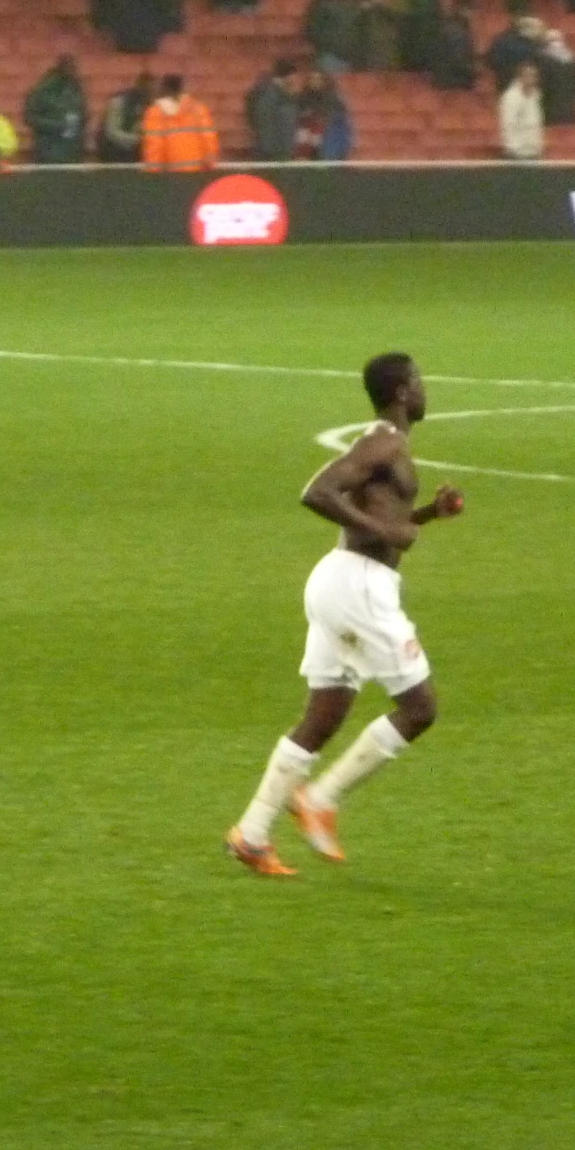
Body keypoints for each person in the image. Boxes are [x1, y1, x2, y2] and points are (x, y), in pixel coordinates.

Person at [225, 352, 466, 875]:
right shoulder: (384, 441)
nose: (426, 390)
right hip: (358, 585)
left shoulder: (388, 443)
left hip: (342, 579)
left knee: (324, 715)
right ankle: (320, 799)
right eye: (420, 381)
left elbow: (385, 516)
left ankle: (251, 834)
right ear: (402, 392)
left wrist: (428, 516)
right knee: (420, 708)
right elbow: (318, 492)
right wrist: (387, 532)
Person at [140, 73, 217, 171]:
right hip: (197, 172)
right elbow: (209, 139)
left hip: (168, 176)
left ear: (164, 89)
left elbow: (154, 145)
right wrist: (210, 165)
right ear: (182, 88)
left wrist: (152, 171)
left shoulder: (155, 112)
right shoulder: (198, 109)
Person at [23, 55, 88, 164]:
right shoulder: (42, 90)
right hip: (49, 148)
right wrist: (58, 125)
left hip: (74, 148)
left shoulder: (76, 89)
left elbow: (83, 113)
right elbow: (30, 118)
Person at [245, 58, 296, 161]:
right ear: (289, 76)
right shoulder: (270, 94)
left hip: (278, 150)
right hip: (273, 152)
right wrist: (275, 150)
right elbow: (266, 122)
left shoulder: (279, 93)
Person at [97, 71, 153, 163]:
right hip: (113, 153)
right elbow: (112, 132)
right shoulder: (119, 103)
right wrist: (137, 139)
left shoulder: (150, 105)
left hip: (137, 155)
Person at [499, 62, 544, 160]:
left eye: (534, 76)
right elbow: (508, 124)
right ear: (520, 77)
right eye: (528, 75)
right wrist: (513, 149)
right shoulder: (511, 97)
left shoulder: (536, 96)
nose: (532, 79)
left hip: (533, 151)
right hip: (516, 153)